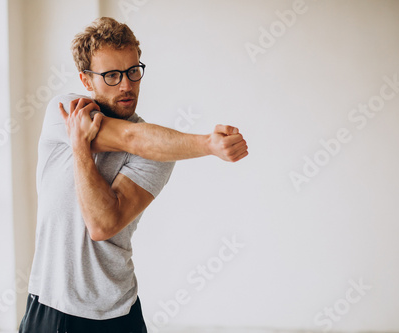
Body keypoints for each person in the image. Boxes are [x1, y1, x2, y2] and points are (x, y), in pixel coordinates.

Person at [19, 17, 248, 333]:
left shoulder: (159, 150)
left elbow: (103, 224)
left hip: (115, 314)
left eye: (132, 71)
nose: (126, 85)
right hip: (47, 305)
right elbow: (126, 138)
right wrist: (205, 144)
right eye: (111, 75)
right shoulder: (64, 112)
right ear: (86, 80)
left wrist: (81, 148)